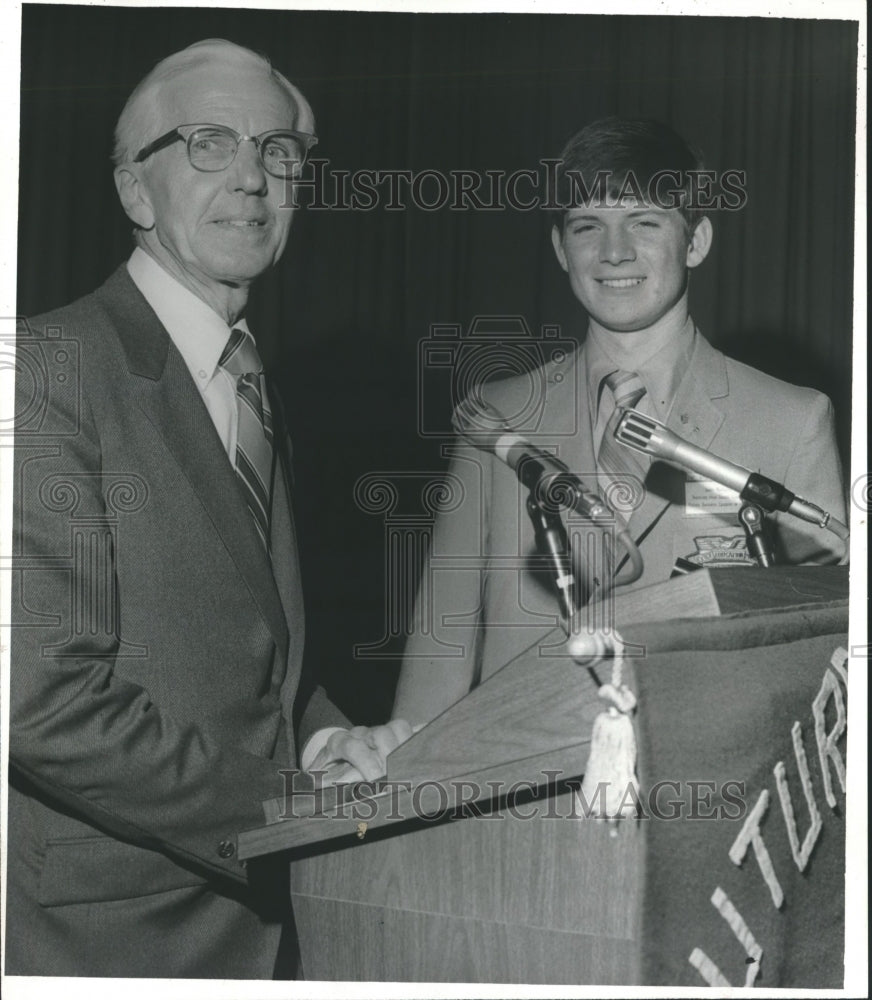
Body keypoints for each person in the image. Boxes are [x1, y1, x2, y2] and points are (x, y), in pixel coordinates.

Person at [7, 39, 409, 979]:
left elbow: (255, 654)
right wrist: (298, 805)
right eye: (209, 143)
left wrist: (330, 737)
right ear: (135, 192)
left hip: (258, 930)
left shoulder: (252, 382)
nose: (253, 180)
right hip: (111, 941)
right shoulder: (42, 372)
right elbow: (40, 700)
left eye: (278, 153)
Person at [393, 117, 847, 726]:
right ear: (559, 248)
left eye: (644, 221)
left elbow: (824, 662)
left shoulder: (793, 421)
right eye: (588, 226)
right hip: (516, 808)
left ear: (696, 241)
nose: (614, 252)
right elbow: (436, 668)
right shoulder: (494, 420)